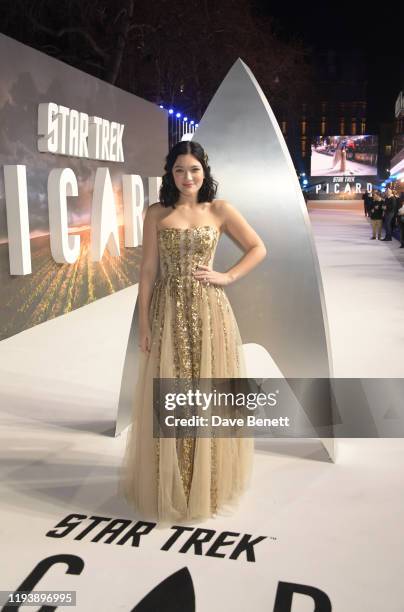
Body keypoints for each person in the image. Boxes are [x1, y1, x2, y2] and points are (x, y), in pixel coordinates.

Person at [119, 140, 267, 523]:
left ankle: (208, 484)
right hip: (168, 309)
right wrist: (146, 323)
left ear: (205, 173)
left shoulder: (219, 210)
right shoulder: (155, 212)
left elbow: (257, 247)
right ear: (170, 172)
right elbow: (148, 271)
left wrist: (228, 275)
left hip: (209, 310)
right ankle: (173, 483)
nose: (188, 177)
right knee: (172, 392)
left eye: (195, 170)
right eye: (180, 170)